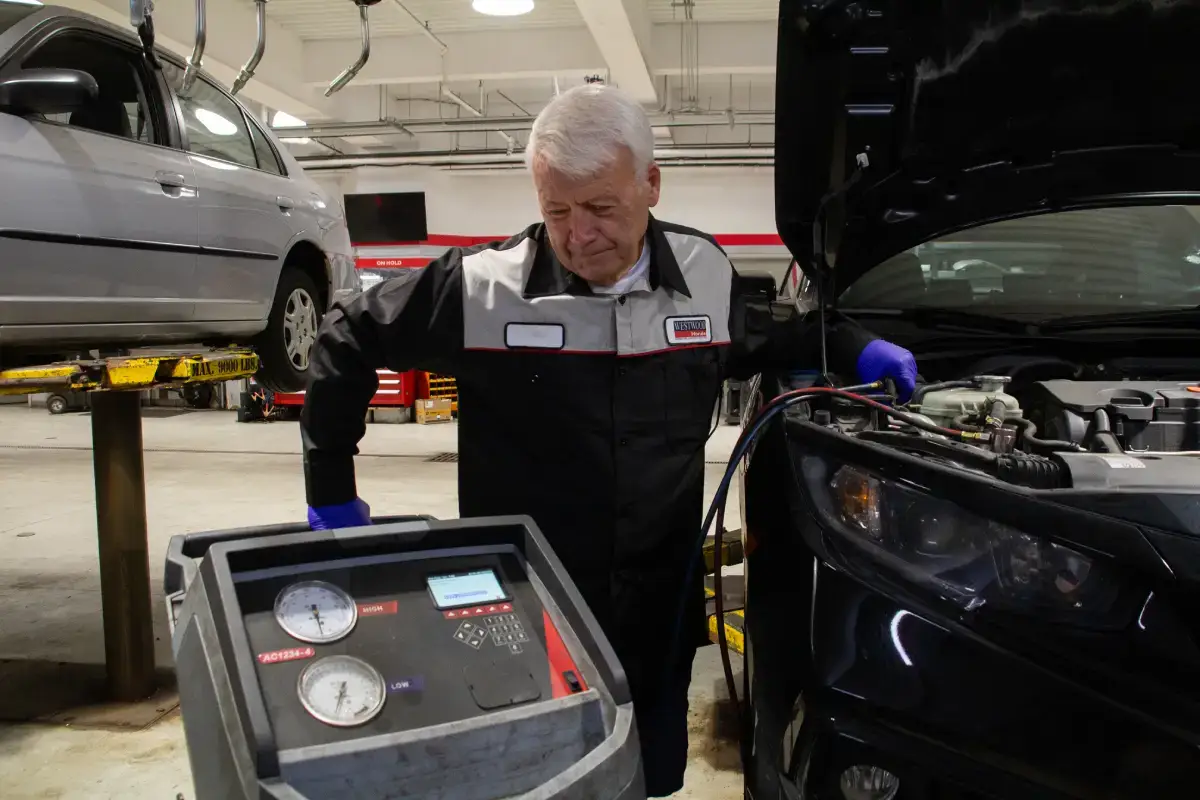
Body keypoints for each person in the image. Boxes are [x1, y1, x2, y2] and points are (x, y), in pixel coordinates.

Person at [300, 84, 917, 797]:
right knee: (536, 777)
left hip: (656, 609)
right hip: (524, 616)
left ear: (650, 184)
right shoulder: (481, 289)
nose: (578, 234)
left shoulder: (705, 277)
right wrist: (331, 492)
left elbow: (777, 334)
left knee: (646, 776)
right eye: (556, 210)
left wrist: (858, 345)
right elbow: (346, 333)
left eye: (600, 208)